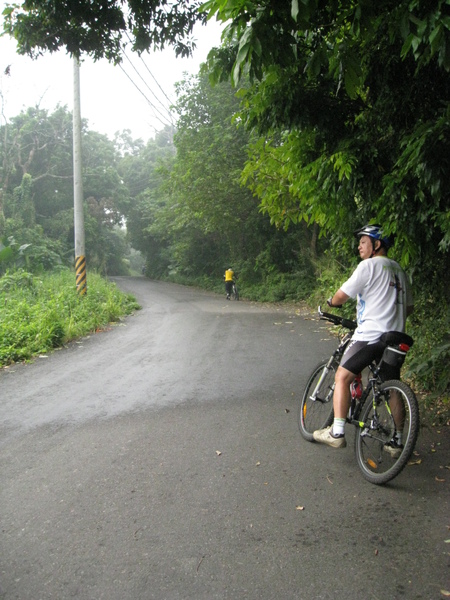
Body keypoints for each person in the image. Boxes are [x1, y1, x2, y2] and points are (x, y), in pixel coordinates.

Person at [313, 224, 414, 454]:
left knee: (342, 376)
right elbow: (409, 309)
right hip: (396, 337)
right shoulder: (399, 270)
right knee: (391, 387)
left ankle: (336, 432)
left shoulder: (368, 266)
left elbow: (341, 296)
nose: (359, 246)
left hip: (370, 336)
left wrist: (330, 302)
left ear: (376, 245)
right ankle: (397, 441)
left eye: (363, 241)